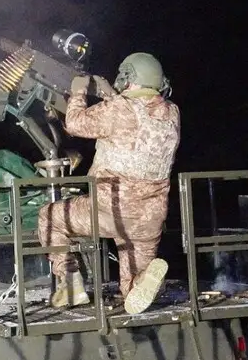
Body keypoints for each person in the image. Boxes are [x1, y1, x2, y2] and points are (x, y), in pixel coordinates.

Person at [38, 52, 181, 314]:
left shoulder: (119, 109)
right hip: (149, 218)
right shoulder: (172, 113)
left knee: (49, 218)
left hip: (110, 210)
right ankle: (143, 281)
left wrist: (78, 91)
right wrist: (110, 95)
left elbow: (76, 123)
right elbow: (135, 120)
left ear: (128, 77)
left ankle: (70, 283)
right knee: (131, 288)